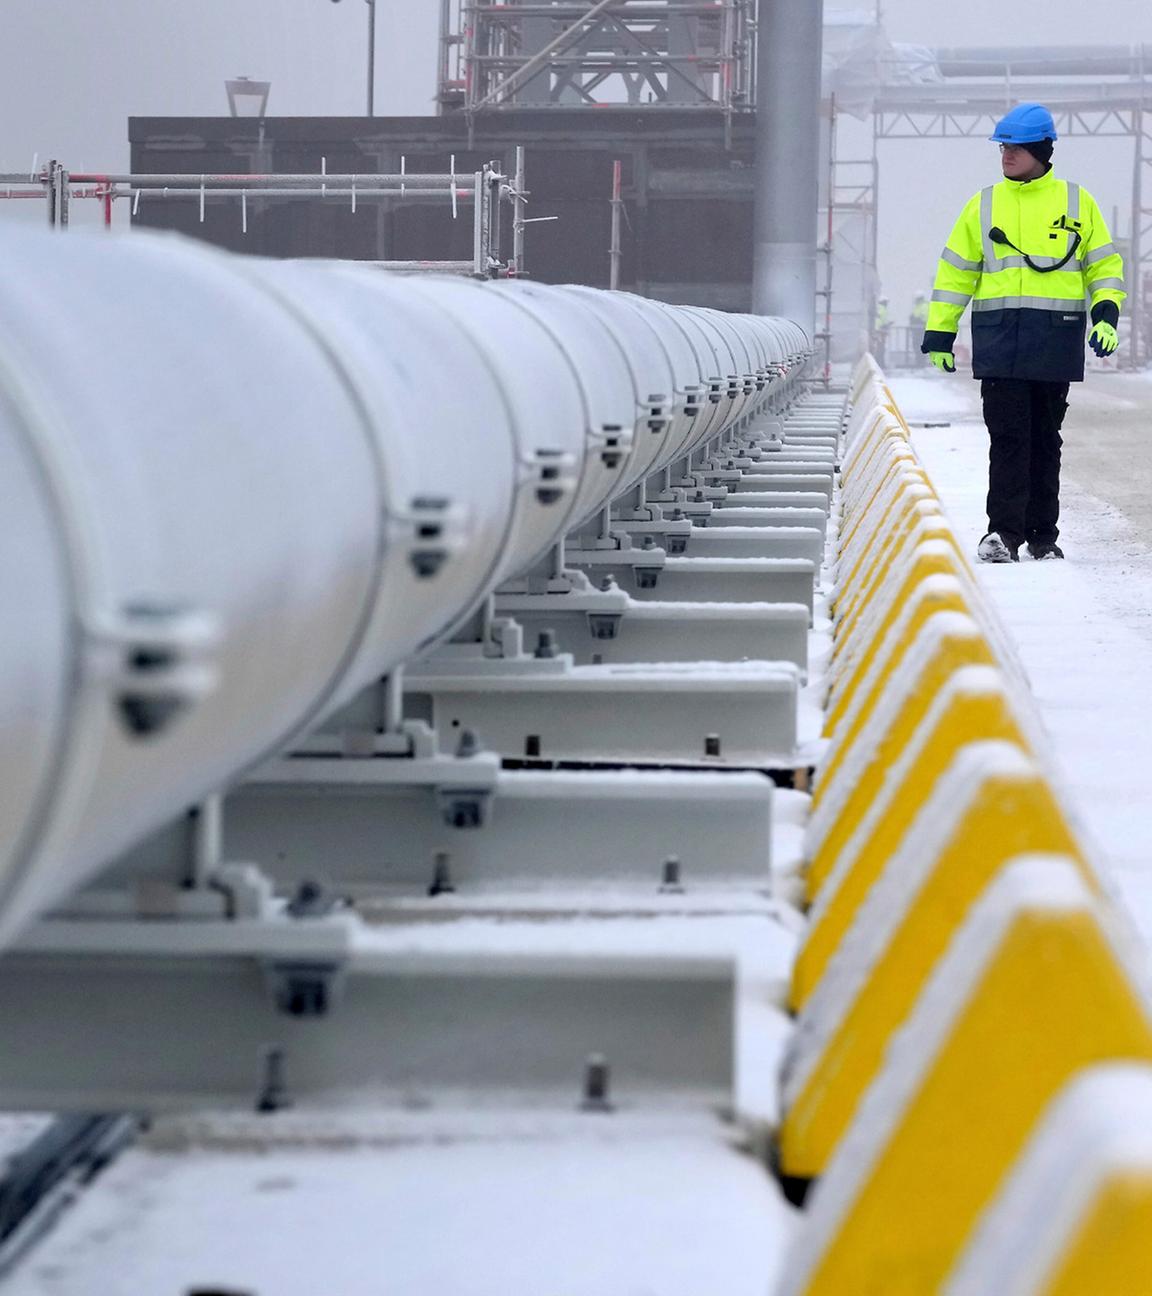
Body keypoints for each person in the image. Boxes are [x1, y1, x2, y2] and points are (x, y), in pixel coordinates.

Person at [920, 101, 1126, 562]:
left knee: (1045, 440)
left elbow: (1104, 266)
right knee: (1008, 437)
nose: (1006, 155)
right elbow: (956, 272)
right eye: (1003, 147)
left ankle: (1043, 537)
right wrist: (939, 332)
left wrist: (1107, 314)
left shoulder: (1076, 201)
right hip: (1001, 341)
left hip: (1055, 338)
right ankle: (1003, 535)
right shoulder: (984, 204)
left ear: (1041, 149)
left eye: (1015, 147)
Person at [909, 292, 930, 365]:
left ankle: (921, 362)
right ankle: (919, 361)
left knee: (920, 345)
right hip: (917, 329)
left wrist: (916, 319)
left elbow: (924, 318)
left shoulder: (924, 306)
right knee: (916, 345)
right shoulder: (918, 306)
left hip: (921, 329)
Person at [873, 296, 891, 367]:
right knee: (880, 348)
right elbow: (881, 321)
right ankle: (880, 363)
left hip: (880, 330)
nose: (886, 303)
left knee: (880, 347)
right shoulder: (882, 309)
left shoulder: (880, 309)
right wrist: (886, 325)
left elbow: (881, 320)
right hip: (880, 331)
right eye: (886, 302)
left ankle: (880, 362)